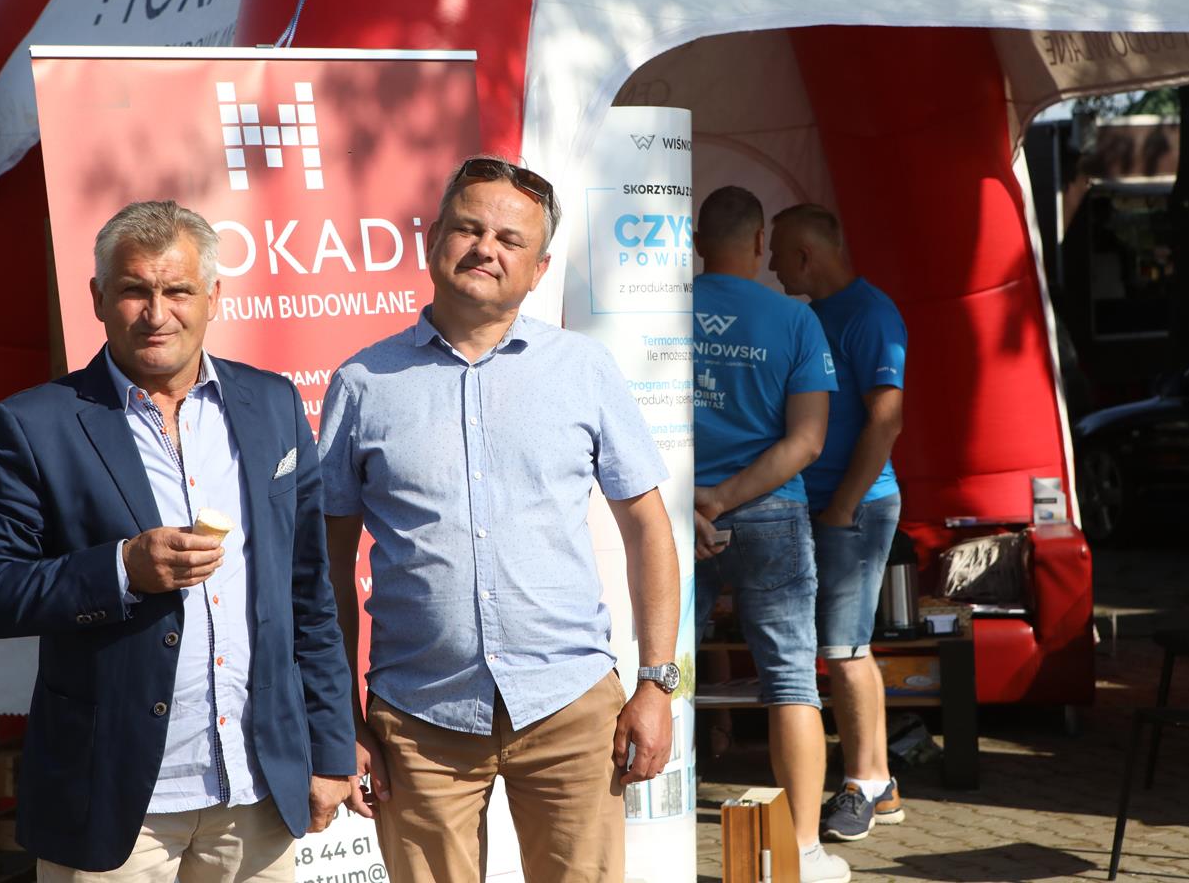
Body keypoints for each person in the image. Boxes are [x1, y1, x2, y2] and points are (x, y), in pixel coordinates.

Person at [0, 201, 355, 881]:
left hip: (254, 790)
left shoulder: (274, 405)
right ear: (98, 298)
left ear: (214, 297)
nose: (157, 314)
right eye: (135, 290)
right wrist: (121, 569)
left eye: (178, 291)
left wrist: (331, 749)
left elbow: (308, 594)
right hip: (113, 800)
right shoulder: (36, 424)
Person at [318, 156, 680, 883]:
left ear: (539, 270)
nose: (486, 248)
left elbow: (649, 530)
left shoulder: (583, 369)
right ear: (433, 240)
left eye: (511, 240)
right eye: (469, 228)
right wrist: (340, 719)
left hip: (570, 708)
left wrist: (656, 683)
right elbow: (325, 564)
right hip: (418, 721)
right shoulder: (362, 384)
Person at [692, 186, 849, 883]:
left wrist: (693, 506)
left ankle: (644, 838)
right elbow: (808, 441)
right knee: (791, 682)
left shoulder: (657, 313)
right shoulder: (795, 320)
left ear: (697, 244)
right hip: (769, 515)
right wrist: (726, 498)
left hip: (672, 519)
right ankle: (804, 852)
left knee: (658, 675)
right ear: (760, 243)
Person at [768, 203, 907, 844]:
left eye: (778, 253)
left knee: (844, 650)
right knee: (846, 648)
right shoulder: (809, 315)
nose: (772, 266)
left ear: (805, 255)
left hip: (856, 506)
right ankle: (877, 782)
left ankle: (865, 783)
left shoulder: (869, 314)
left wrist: (844, 506)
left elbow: (887, 419)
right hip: (816, 504)